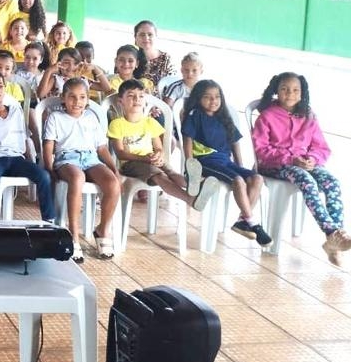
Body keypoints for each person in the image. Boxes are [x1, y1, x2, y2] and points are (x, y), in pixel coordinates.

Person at [252, 73, 349, 264]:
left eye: (296, 90)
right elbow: (261, 150)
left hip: (304, 164)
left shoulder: (309, 116)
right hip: (275, 166)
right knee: (306, 179)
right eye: (284, 89)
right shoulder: (267, 116)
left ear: (302, 93)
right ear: (276, 91)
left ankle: (335, 239)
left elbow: (321, 147)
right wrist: (291, 160)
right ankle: (331, 232)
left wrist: (312, 159)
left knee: (332, 181)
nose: (290, 93)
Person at [181, 79, 271, 246]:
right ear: (198, 99)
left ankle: (242, 220)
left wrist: (240, 165)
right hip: (206, 161)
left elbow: (234, 143)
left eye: (217, 97)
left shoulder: (224, 117)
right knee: (237, 181)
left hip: (226, 161)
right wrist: (190, 165)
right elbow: (187, 140)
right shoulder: (195, 115)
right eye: (207, 97)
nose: (213, 101)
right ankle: (253, 223)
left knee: (257, 178)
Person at [108, 79, 218, 214]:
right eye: (131, 96)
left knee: (171, 172)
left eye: (141, 96)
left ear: (145, 100)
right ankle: (189, 199)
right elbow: (120, 153)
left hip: (151, 160)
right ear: (120, 101)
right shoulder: (117, 124)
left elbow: (159, 147)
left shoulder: (150, 122)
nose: (137, 99)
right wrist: (146, 159)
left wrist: (159, 155)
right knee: (161, 176)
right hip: (131, 164)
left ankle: (198, 185)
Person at [42, 77, 121, 261]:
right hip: (67, 159)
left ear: (87, 99)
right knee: (77, 179)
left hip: (90, 158)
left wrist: (113, 168)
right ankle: (74, 234)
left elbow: (101, 148)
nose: (77, 102)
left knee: (112, 184)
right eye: (72, 97)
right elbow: (48, 145)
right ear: (63, 97)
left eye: (82, 97)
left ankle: (102, 229)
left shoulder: (91, 117)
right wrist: (48, 168)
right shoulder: (56, 117)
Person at [0, 69, 53, 221]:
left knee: (44, 176)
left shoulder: (16, 111)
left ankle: (49, 220)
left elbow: (23, 136)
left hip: (16, 159)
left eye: (0, 86)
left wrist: (30, 160)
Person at [134, 20, 175, 90]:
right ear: (135, 37)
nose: (146, 38)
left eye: (150, 34)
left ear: (156, 36)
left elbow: (172, 86)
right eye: (142, 34)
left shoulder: (166, 59)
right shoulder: (128, 57)